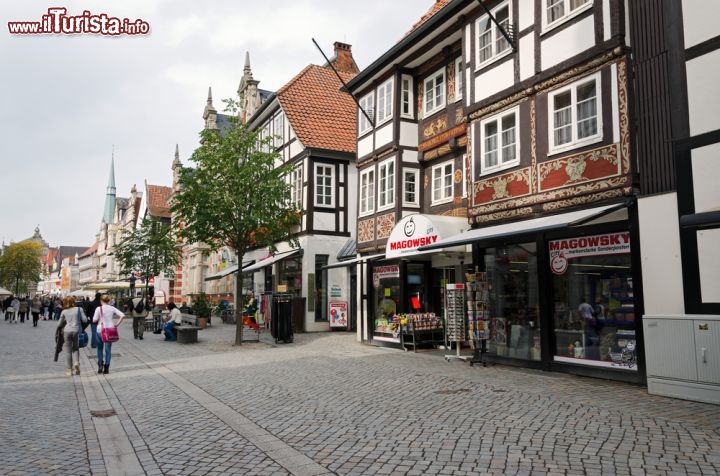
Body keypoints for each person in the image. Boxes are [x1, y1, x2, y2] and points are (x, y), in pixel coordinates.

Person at [92, 294, 125, 374]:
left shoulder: (98, 308)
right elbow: (122, 315)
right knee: (108, 350)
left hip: (100, 330)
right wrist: (116, 324)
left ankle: (100, 365)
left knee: (99, 349)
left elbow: (94, 320)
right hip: (109, 330)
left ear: (101, 300)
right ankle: (106, 368)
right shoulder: (112, 308)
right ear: (109, 300)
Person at [57, 296, 88, 376]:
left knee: (68, 351)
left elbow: (59, 324)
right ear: (73, 302)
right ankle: (77, 362)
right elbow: (85, 320)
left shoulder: (64, 311)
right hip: (77, 330)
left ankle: (69, 370)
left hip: (67, 331)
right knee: (76, 348)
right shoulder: (79, 309)